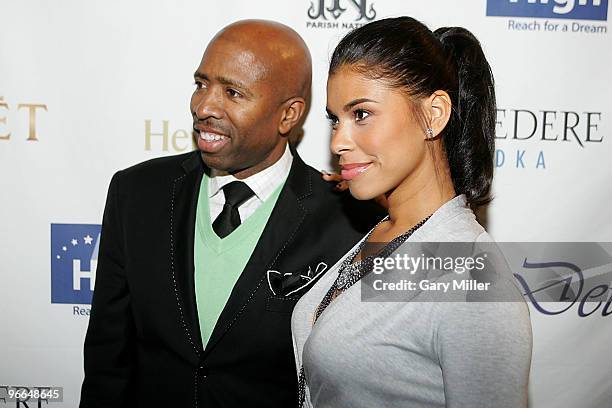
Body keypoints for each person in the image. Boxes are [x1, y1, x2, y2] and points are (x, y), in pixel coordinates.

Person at [80, 20, 381, 407]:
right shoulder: (137, 193)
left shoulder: (350, 220)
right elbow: (108, 360)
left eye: (232, 92)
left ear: (288, 115)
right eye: (201, 84)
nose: (203, 107)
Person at [292, 16, 533, 408]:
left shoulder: (472, 278)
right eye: (336, 119)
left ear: (434, 114)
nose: (338, 141)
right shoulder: (382, 232)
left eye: (362, 114)